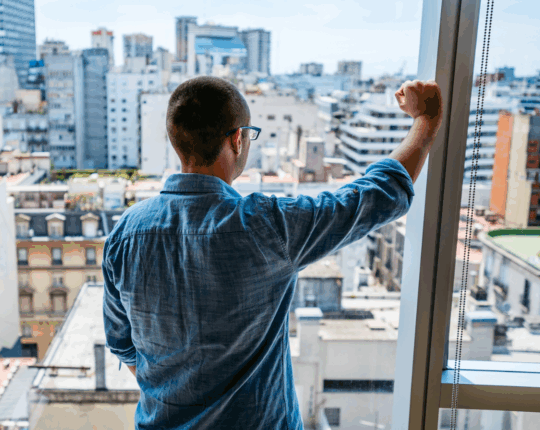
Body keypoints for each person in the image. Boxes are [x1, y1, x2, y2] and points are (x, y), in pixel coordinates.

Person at [103, 76, 442, 429]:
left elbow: (123, 345)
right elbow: (375, 196)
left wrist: (179, 389)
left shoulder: (124, 236)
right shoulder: (266, 226)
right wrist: (426, 121)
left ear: (176, 142)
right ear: (237, 139)